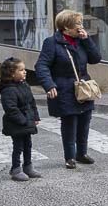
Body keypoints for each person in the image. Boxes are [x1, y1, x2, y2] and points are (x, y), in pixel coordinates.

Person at [36, 9, 102, 168]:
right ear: (66, 27)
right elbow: (41, 65)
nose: (81, 27)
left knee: (85, 120)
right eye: (77, 24)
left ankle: (82, 153)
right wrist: (49, 84)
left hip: (84, 87)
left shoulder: (81, 41)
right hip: (65, 88)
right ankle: (70, 157)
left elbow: (96, 59)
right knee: (70, 122)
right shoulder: (51, 43)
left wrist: (87, 40)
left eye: (81, 23)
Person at [0, 57, 41, 181]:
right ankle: (15, 168)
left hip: (27, 121)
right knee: (18, 146)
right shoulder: (8, 90)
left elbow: (31, 102)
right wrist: (23, 121)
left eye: (24, 69)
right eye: (21, 70)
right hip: (16, 124)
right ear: (12, 74)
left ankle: (28, 166)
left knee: (28, 144)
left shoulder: (24, 85)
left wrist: (35, 116)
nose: (25, 72)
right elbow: (11, 109)